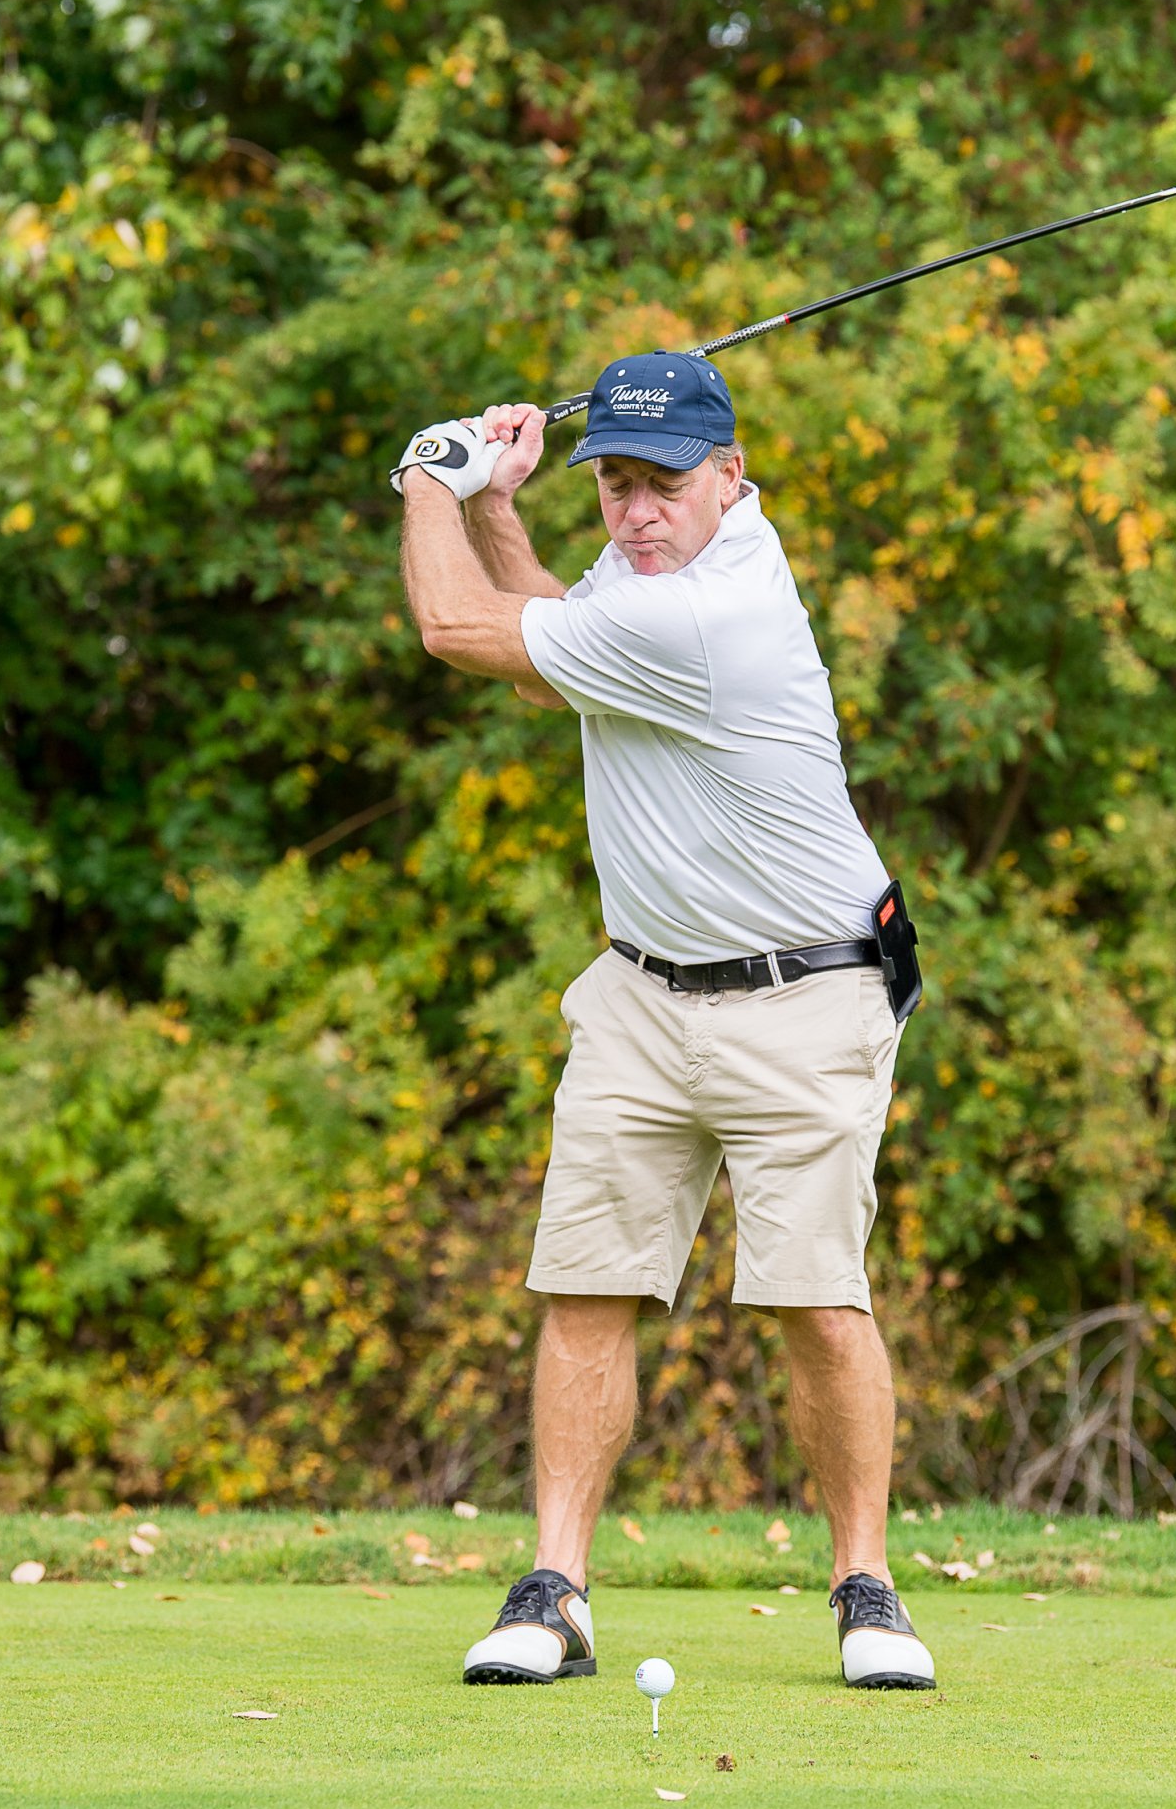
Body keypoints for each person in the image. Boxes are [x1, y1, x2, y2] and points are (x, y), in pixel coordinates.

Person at [393, 349, 933, 1691]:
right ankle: (555, 1587)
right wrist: (500, 504)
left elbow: (459, 633)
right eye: (615, 485)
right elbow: (549, 656)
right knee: (587, 1288)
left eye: (664, 486)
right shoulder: (642, 587)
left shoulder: (716, 612)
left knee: (816, 1301)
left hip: (805, 992)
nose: (636, 512)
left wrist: (426, 476)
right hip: (644, 987)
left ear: (732, 479)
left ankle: (866, 1588)